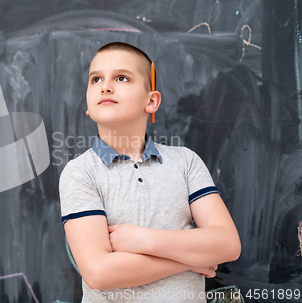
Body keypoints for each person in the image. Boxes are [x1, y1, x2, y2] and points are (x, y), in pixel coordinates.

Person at [59, 42, 241, 302]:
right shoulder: (80, 173)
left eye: (122, 77)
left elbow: (228, 245)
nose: (105, 86)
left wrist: (142, 239)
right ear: (88, 104)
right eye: (96, 79)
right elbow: (99, 273)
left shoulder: (186, 162)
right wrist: (190, 259)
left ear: (151, 101)